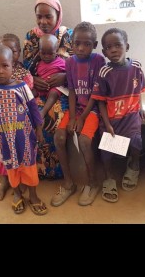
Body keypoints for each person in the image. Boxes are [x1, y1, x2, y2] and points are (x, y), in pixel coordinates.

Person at [0, 43, 47, 215]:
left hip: (25, 138)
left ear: (13, 66)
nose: (0, 71)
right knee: (11, 167)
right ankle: (17, 194)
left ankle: (33, 195)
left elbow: (34, 110)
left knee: (29, 167)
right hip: (4, 140)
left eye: (4, 66)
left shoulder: (22, 88)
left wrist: (39, 130)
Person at [51, 21, 105, 207]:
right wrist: (73, 116)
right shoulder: (70, 62)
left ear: (95, 45)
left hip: (93, 109)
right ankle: (68, 182)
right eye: (77, 44)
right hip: (76, 109)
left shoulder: (98, 61)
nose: (81, 48)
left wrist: (82, 118)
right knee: (59, 137)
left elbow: (97, 94)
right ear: (71, 44)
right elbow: (72, 91)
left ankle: (92, 182)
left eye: (87, 44)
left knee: (84, 140)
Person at [91, 28, 145, 203]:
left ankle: (134, 165)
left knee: (136, 142)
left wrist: (140, 108)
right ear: (104, 52)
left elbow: (138, 91)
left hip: (131, 115)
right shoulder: (104, 72)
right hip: (112, 119)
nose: (113, 50)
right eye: (109, 47)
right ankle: (109, 177)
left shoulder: (136, 67)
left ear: (127, 46)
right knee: (107, 150)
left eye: (118, 45)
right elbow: (100, 101)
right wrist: (107, 124)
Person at [23, 0, 73, 180]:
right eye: (39, 17)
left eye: (48, 17)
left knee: (56, 112)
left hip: (62, 90)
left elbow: (78, 64)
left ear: (57, 14)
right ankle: (39, 168)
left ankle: (57, 170)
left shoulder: (68, 34)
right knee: (29, 111)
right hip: (38, 86)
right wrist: (34, 79)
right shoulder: (31, 36)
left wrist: (65, 77)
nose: (43, 22)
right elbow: (25, 66)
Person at [0, 33, 34, 201]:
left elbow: (27, 102)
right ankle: (5, 181)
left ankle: (21, 180)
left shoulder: (24, 75)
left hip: (17, 124)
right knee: (2, 155)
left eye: (11, 50)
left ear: (17, 54)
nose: (0, 69)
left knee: (19, 153)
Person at [32, 34, 67, 119]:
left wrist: (65, 76)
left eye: (50, 53)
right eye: (43, 53)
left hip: (54, 87)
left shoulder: (61, 62)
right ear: (39, 51)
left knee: (53, 93)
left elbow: (70, 73)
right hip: (41, 87)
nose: (46, 56)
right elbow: (32, 74)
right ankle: (21, 103)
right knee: (31, 92)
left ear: (56, 50)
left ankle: (43, 112)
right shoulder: (38, 62)